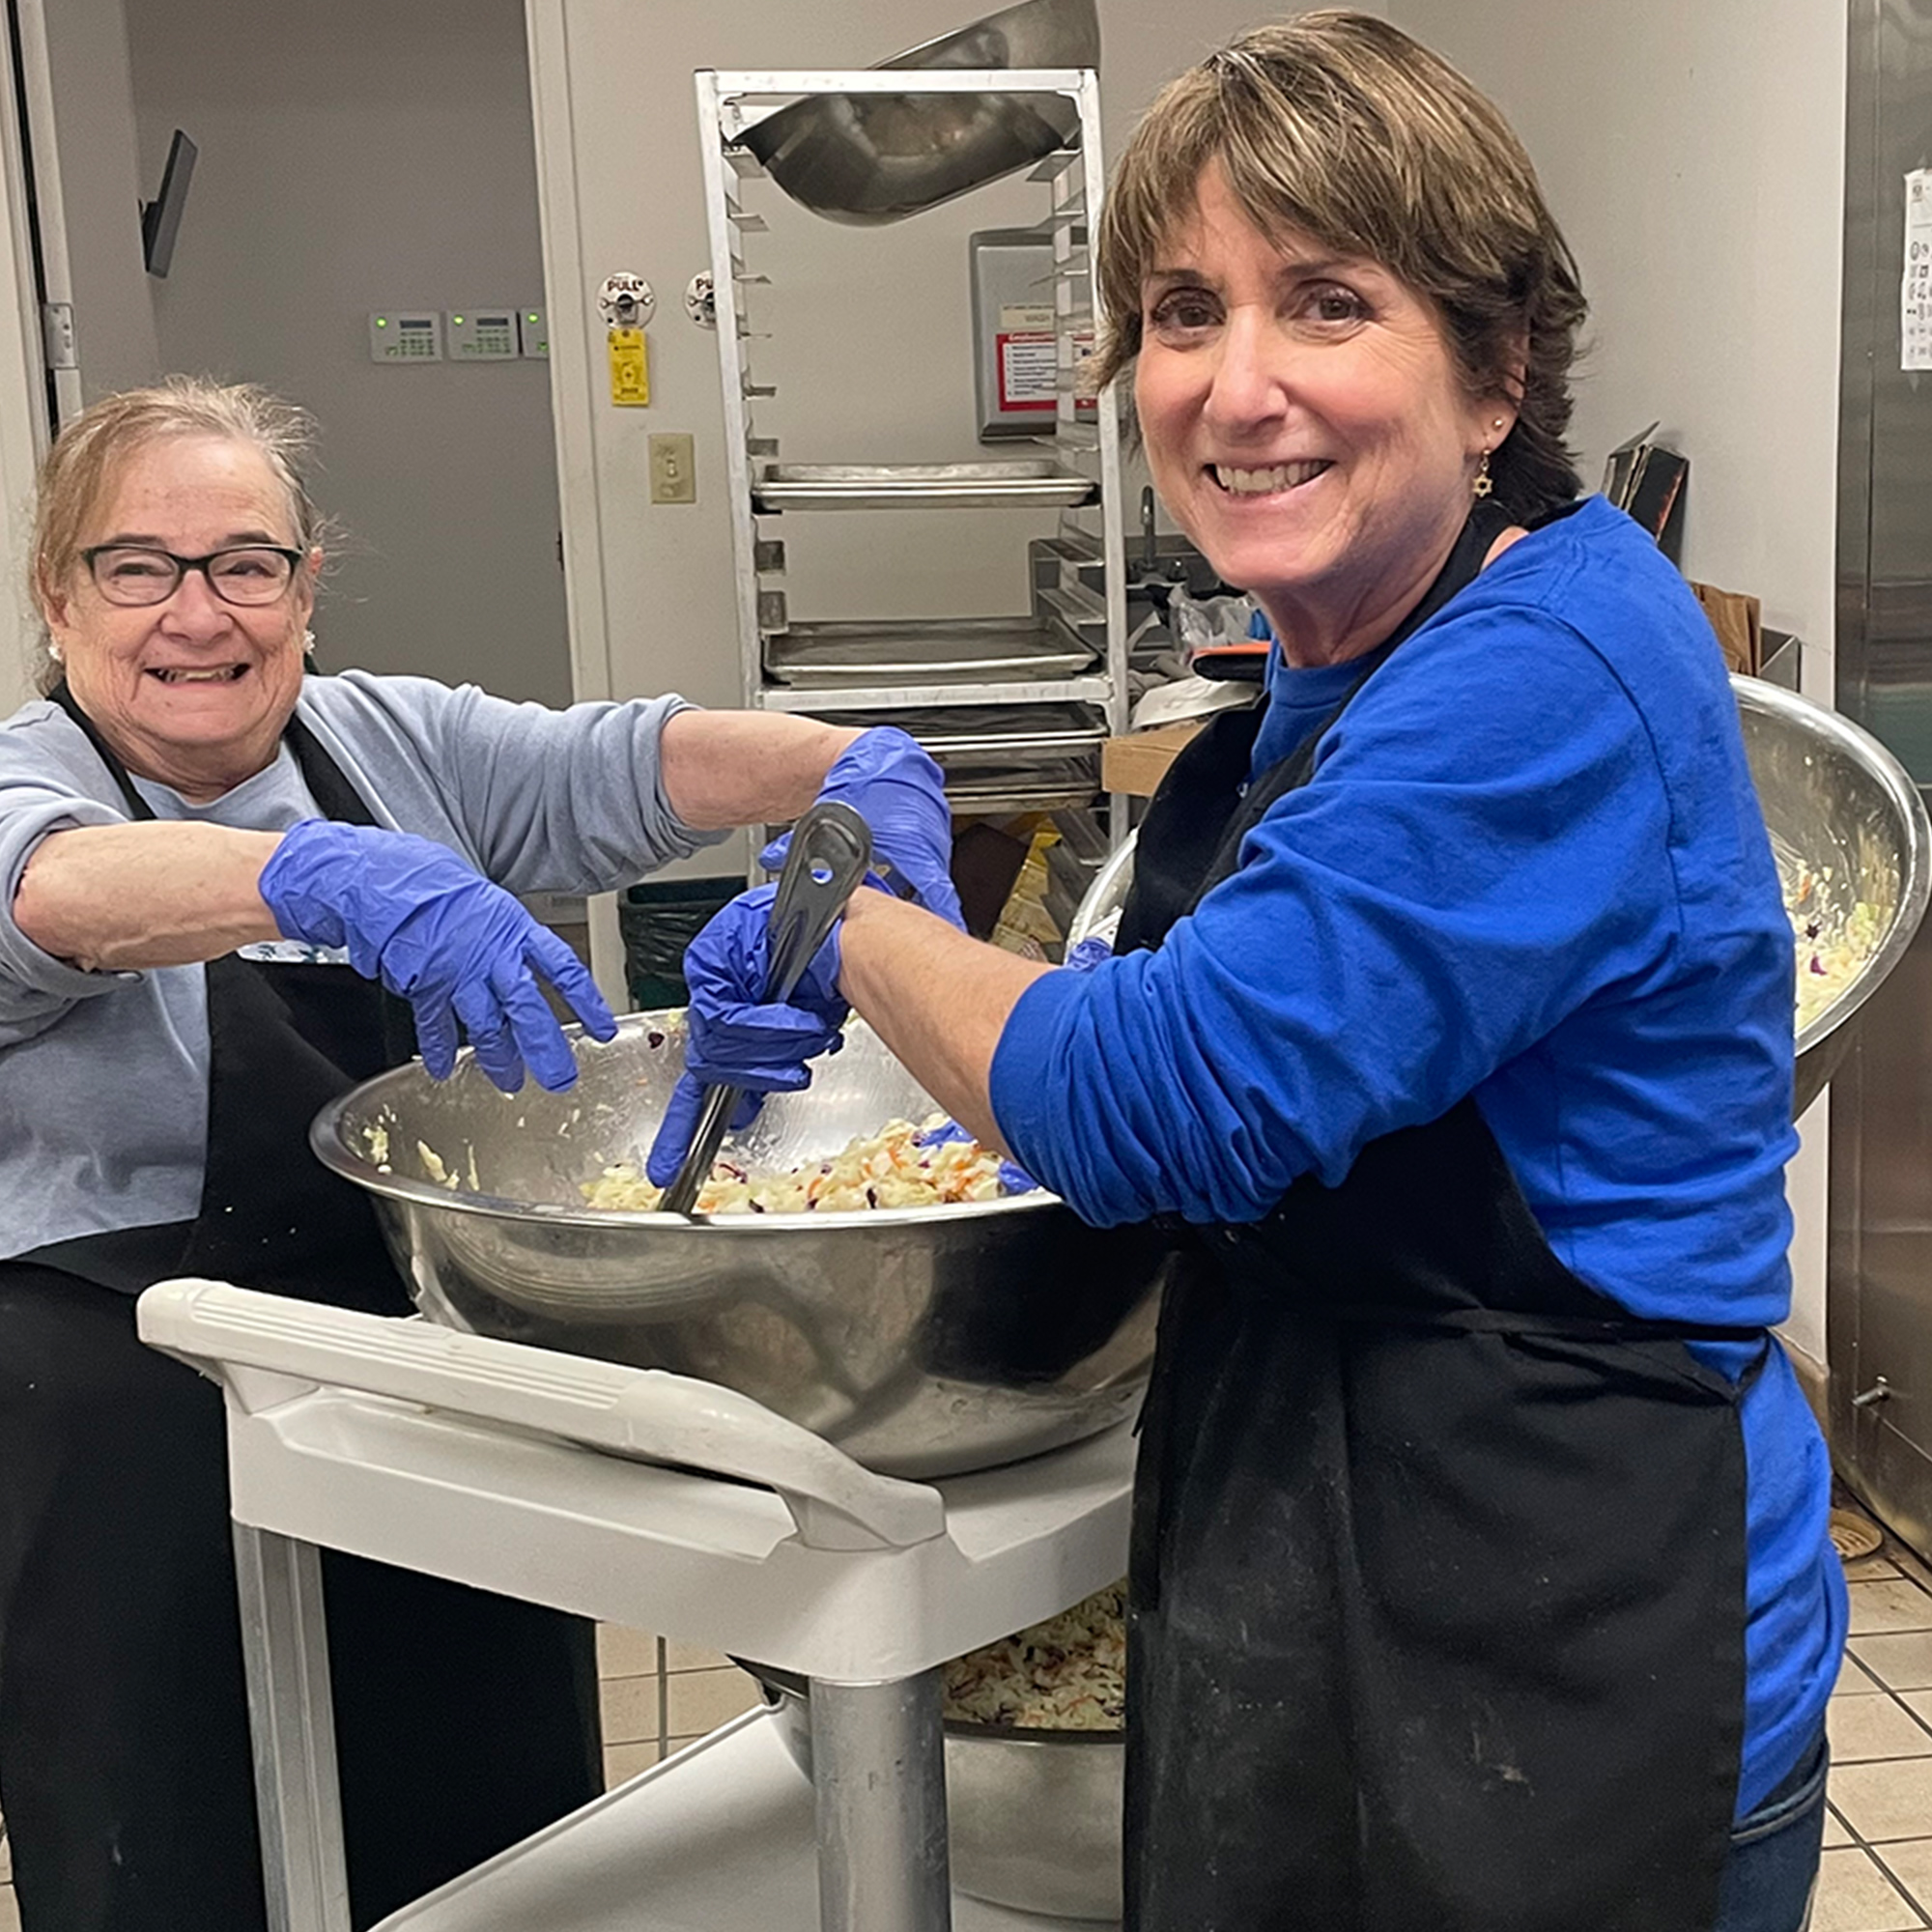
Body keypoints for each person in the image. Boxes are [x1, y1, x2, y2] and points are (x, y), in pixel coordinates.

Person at [648, 16, 1838, 1931]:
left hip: (1577, 1657)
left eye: (1328, 303)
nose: (1238, 385)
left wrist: (847, 908)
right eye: (1183, 312)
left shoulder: (1542, 668)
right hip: (1358, 1574)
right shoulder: (1344, 660)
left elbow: (1171, 1095)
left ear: (1491, 369)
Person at [0, 377, 959, 1932]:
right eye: (138, 566)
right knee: (174, 1855)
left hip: (428, 1396)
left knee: (494, 1861)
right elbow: (56, 893)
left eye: (247, 563)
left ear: (307, 593)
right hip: (128, 1433)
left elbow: (642, 761)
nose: (198, 612)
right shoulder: (28, 784)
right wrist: (311, 878)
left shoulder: (386, 745)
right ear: (59, 597)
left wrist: (855, 768)